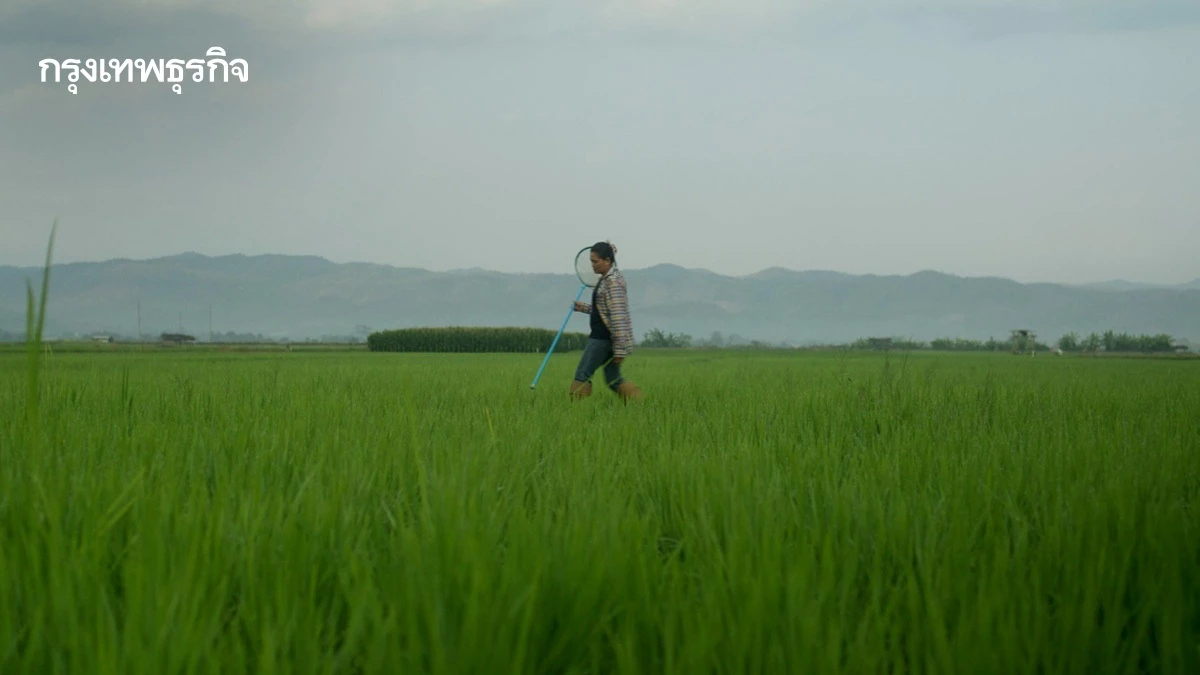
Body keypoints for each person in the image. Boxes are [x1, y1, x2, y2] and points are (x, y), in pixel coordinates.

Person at [569, 241, 643, 402]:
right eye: (591, 261)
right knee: (613, 378)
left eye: (595, 261)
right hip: (608, 338)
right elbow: (604, 311)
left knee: (582, 375)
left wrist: (620, 350)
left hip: (602, 339)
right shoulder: (606, 279)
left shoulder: (613, 282)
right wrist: (584, 308)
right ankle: (639, 404)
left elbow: (618, 316)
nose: (592, 265)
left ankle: (574, 412)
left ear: (607, 261)